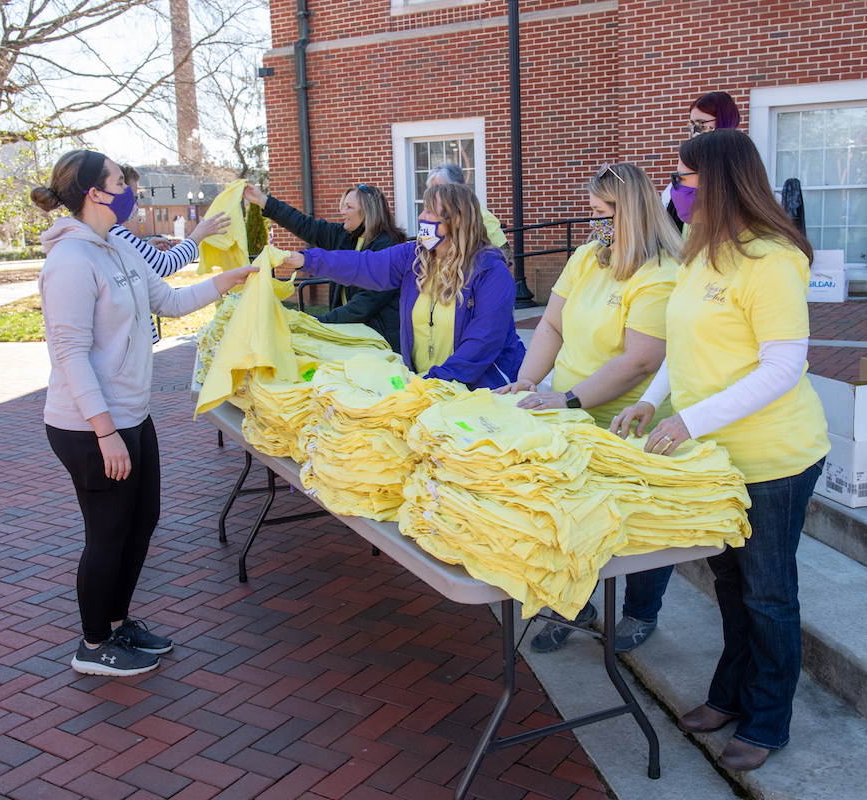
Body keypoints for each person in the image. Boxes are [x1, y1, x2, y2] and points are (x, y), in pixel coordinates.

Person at [611, 129, 830, 772]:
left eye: (683, 179)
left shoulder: (772, 259)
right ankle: (729, 694)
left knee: (767, 593)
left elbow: (783, 367)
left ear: (720, 184)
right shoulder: (700, 252)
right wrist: (656, 399)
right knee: (730, 586)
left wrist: (692, 421)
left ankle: (768, 718)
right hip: (716, 456)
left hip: (774, 459)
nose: (673, 191)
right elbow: (682, 344)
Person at [32, 150, 258, 677]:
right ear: (96, 192)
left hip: (133, 414)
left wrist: (236, 277)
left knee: (142, 522)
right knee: (108, 532)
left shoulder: (118, 247)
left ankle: (117, 622)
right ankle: (92, 645)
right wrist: (104, 430)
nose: (131, 189)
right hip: (90, 426)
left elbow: (171, 302)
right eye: (118, 180)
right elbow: (70, 353)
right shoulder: (70, 261)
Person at [494, 162, 681, 653]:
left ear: (632, 215)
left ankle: (642, 612)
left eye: (602, 214)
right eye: (591, 213)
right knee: (570, 519)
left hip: (630, 424)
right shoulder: (587, 257)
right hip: (572, 414)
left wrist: (570, 397)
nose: (593, 223)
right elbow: (551, 326)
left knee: (641, 529)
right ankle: (572, 604)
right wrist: (527, 380)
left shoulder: (660, 274)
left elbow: (642, 360)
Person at [283, 182, 524, 389]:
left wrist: (431, 383)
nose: (421, 217)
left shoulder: (492, 272)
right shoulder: (414, 256)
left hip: (483, 391)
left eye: (429, 212)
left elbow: (482, 342)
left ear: (456, 220)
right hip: (428, 388)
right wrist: (308, 260)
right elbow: (365, 265)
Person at [243, 182, 404, 351]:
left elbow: (365, 304)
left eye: (349, 207)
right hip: (349, 333)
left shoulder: (388, 247)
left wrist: (320, 322)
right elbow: (305, 225)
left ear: (368, 211)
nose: (342, 212)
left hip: (378, 340)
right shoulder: (343, 235)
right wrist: (263, 200)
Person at [111, 165, 230, 343]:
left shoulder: (114, 235)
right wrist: (198, 235)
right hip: (131, 348)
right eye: (133, 196)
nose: (135, 204)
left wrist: (143, 247)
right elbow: (165, 264)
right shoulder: (114, 233)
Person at [665, 91, 741, 233]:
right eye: (691, 124)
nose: (695, 130)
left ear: (724, 120)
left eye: (701, 124)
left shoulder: (739, 163)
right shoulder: (690, 158)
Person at [425, 163, 514, 266]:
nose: (433, 194)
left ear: (457, 188)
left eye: (439, 188)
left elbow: (505, 254)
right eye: (431, 188)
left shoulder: (482, 216)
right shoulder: (430, 216)